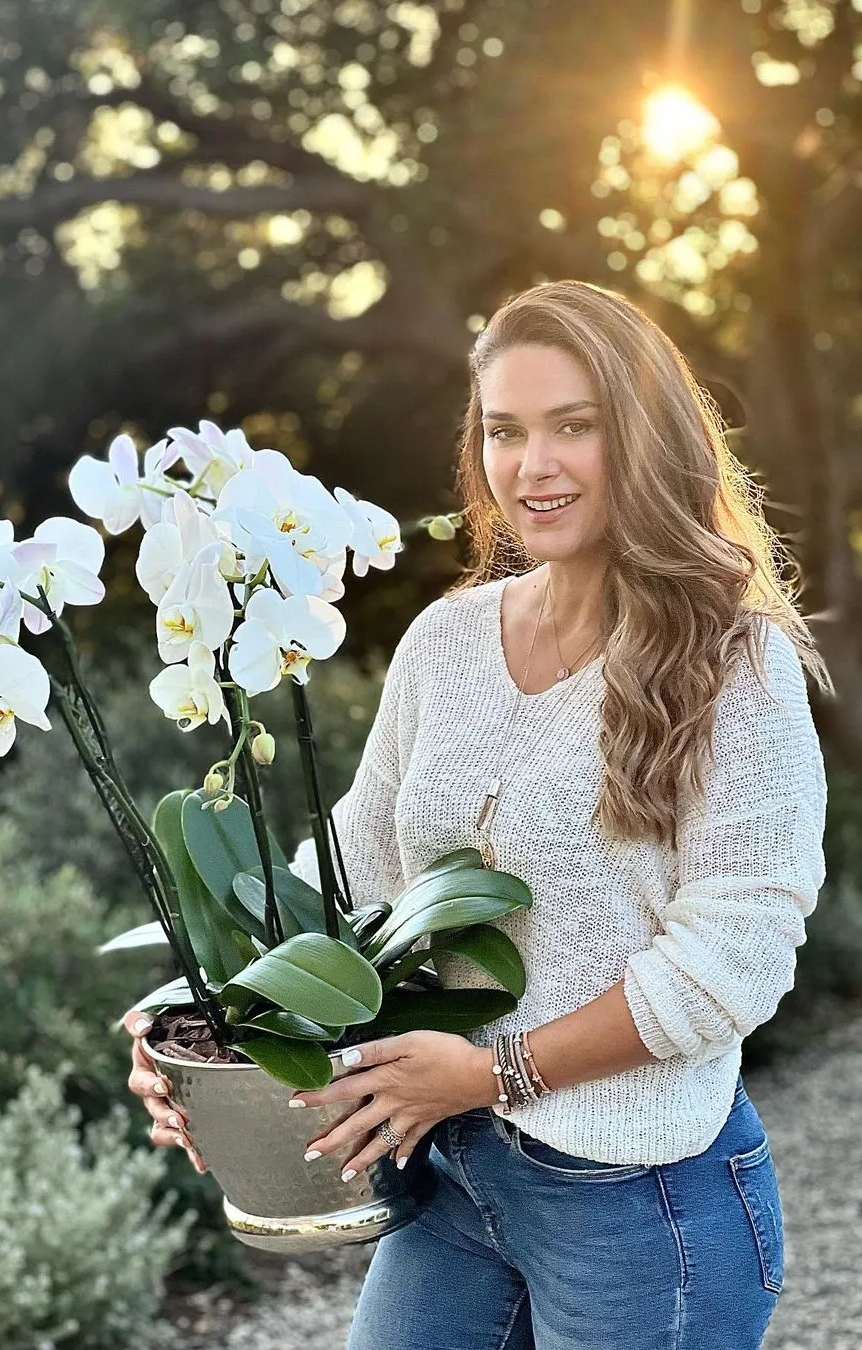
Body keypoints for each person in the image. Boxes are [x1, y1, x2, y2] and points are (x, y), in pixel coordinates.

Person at [123, 279, 832, 1349]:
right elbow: (349, 869)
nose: (532, 467)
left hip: (645, 1206)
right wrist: (189, 1015)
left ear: (644, 438)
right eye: (505, 432)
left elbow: (740, 952)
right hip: (455, 1175)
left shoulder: (736, 660)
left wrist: (500, 1069)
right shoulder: (448, 640)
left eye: (574, 427)